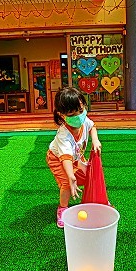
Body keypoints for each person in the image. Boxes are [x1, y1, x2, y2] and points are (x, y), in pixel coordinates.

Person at [46, 87, 101, 228]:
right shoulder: (63, 135)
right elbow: (66, 158)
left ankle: (92, 201)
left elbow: (92, 127)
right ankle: (62, 209)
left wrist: (95, 140)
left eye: (81, 110)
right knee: (66, 184)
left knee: (89, 174)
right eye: (72, 113)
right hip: (57, 159)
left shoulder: (84, 120)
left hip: (75, 158)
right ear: (62, 115)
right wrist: (71, 176)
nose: (78, 116)